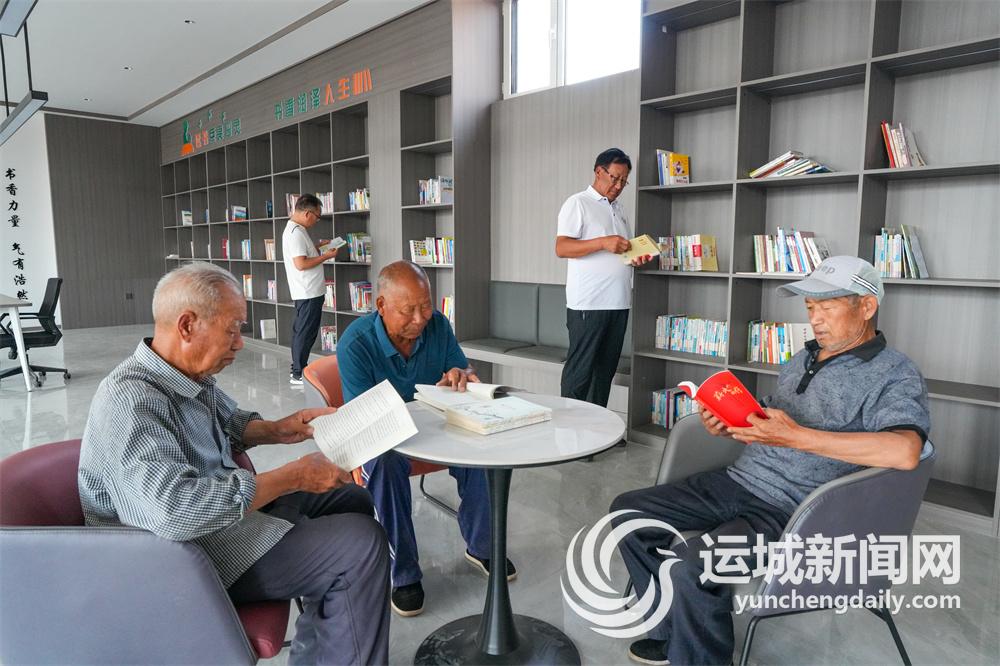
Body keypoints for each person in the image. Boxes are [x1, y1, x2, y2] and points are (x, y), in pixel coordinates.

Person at [610, 256, 931, 666]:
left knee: (693, 565)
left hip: (796, 511)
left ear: (867, 306)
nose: (815, 319)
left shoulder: (895, 373)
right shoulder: (803, 358)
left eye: (827, 305)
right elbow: (771, 418)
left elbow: (905, 451)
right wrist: (728, 423)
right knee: (628, 512)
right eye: (810, 307)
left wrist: (797, 438)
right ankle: (671, 634)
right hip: (737, 480)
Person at [78, 262, 390, 665]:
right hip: (184, 556)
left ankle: (323, 652)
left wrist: (280, 429)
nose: (240, 343)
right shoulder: (130, 400)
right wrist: (293, 475)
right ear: (187, 325)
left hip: (223, 521)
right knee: (361, 545)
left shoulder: (185, 377)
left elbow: (230, 423)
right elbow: (176, 512)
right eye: (232, 329)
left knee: (352, 498)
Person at [337, 260, 515, 617]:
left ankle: (482, 547)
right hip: (382, 433)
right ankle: (402, 574)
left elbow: (462, 369)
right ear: (381, 305)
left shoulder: (438, 326)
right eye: (408, 310)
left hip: (433, 423)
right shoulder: (355, 344)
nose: (420, 319)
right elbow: (365, 419)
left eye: (426, 306)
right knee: (385, 464)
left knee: (482, 445)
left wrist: (460, 373)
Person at [555, 147, 655, 409]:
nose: (619, 185)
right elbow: (562, 248)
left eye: (624, 180)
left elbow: (620, 252)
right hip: (589, 304)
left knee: (604, 374)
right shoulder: (578, 203)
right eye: (615, 178)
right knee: (580, 372)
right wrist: (602, 242)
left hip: (619, 303)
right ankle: (568, 430)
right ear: (599, 171)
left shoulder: (619, 209)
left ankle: (595, 428)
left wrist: (635, 257)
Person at [282, 193, 338, 385]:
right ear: (307, 213)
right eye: (317, 216)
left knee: (303, 330)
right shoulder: (296, 233)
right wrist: (326, 256)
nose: (317, 220)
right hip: (307, 291)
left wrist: (318, 247)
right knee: (305, 332)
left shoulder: (296, 229)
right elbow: (301, 264)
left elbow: (302, 254)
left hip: (308, 290)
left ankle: (298, 369)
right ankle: (298, 373)